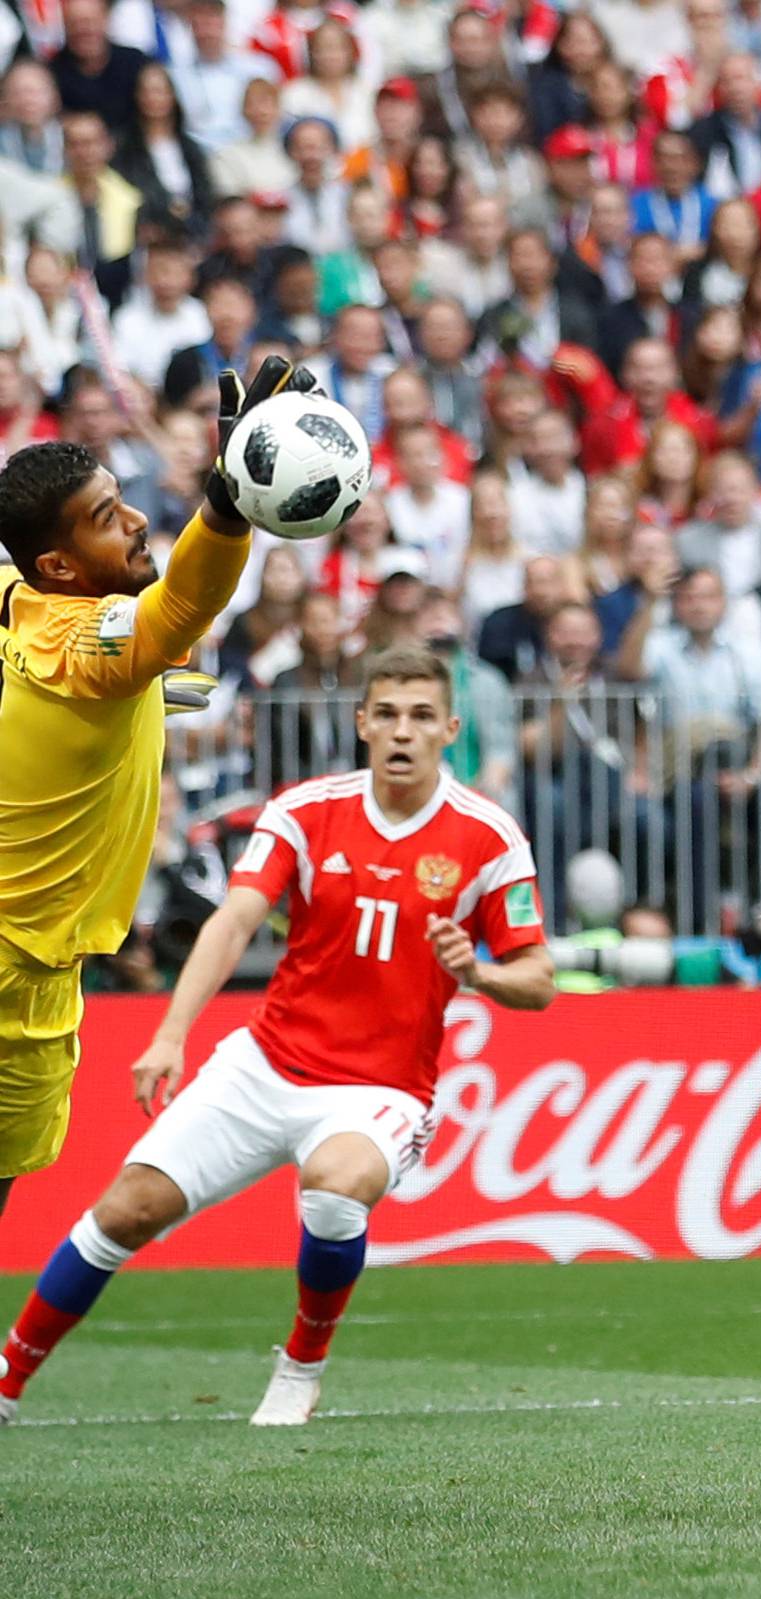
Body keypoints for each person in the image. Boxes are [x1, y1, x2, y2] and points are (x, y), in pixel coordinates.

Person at [0, 646, 556, 1429]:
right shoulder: (304, 809)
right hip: (266, 1062)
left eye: (422, 716)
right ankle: (8, 1377)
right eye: (388, 713)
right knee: (126, 1208)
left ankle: (301, 1365)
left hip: (382, 1088)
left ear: (451, 730)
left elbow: (540, 979)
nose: (403, 730)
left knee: (335, 1184)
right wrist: (170, 1033)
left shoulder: (487, 837)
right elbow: (234, 921)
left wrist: (482, 973)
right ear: (362, 722)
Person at [0, 356, 306, 1242]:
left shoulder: (20, 599)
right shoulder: (86, 644)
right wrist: (228, 507)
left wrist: (131, 705)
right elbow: (176, 612)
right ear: (59, 563)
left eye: (124, 499)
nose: (137, 522)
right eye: (107, 520)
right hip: (19, 964)